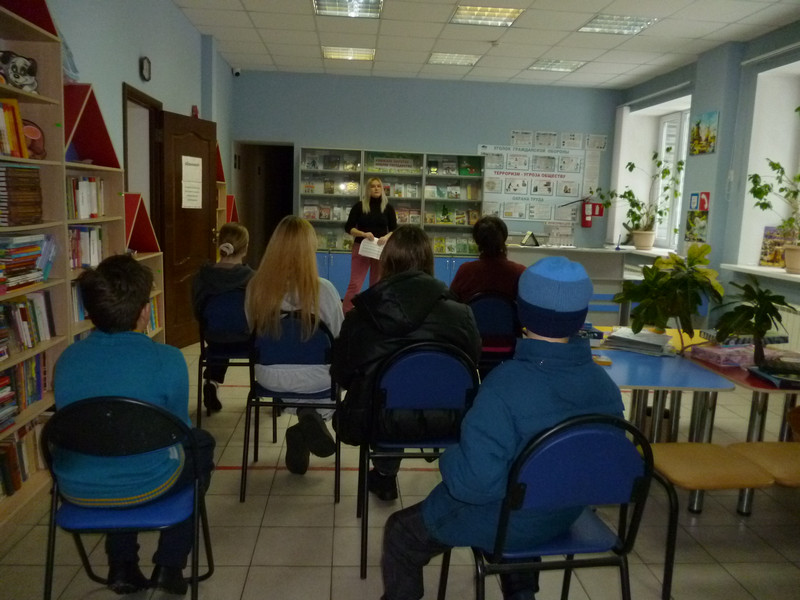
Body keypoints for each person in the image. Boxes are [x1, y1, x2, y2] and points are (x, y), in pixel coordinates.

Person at [380, 256, 625, 600]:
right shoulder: (605, 386)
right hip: (566, 512)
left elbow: (473, 486)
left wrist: (449, 458)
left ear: (520, 312)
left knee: (401, 533)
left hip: (506, 518)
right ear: (582, 316)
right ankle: (521, 590)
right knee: (522, 496)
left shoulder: (504, 385)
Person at [53, 254, 216, 596]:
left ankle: (122, 564)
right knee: (200, 444)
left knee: (113, 442)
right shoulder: (168, 359)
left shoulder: (67, 360)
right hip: (150, 481)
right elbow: (179, 432)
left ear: (90, 312)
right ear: (144, 311)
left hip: (78, 485)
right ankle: (170, 564)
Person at [331, 225, 481, 501]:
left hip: (379, 421)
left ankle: (385, 473)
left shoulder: (362, 315)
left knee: (386, 393)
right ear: (429, 261)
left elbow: (342, 373)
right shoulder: (461, 315)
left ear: (386, 261)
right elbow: (472, 362)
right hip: (448, 419)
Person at [245, 215, 344, 474]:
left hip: (269, 379)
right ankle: (306, 419)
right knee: (335, 375)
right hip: (318, 381)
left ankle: (303, 420)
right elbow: (339, 338)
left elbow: (253, 332)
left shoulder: (255, 288)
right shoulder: (325, 291)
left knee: (294, 372)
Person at [192, 222, 254, 414]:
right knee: (262, 340)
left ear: (220, 244)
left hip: (213, 337)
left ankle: (211, 381)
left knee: (221, 338)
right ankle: (267, 390)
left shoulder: (201, 277)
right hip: (247, 339)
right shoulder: (252, 278)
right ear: (245, 249)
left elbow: (197, 311)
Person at [342, 177, 397, 312]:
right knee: (355, 284)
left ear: (382, 189)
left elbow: (394, 230)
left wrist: (386, 237)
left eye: (379, 186)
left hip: (379, 249)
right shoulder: (359, 206)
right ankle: (346, 313)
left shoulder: (388, 208)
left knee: (377, 284)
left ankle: (374, 312)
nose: (376, 188)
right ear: (368, 189)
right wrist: (363, 234)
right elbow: (349, 228)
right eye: (373, 186)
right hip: (362, 247)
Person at [449, 215, 525, 302]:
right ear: (504, 239)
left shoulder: (465, 271)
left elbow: (452, 301)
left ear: (477, 241)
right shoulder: (519, 272)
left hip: (472, 311)